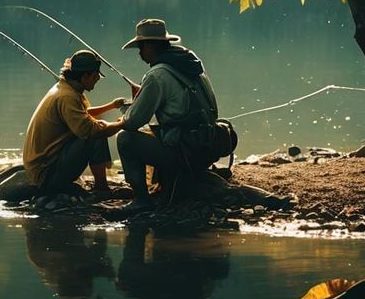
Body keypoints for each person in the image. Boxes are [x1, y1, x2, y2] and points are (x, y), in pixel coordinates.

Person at [100, 18, 224, 212]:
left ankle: (142, 200)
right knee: (153, 131)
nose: (140, 53)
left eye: (141, 47)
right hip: (207, 143)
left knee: (125, 139)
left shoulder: (156, 75)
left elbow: (133, 122)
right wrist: (144, 97)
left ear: (150, 45)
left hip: (185, 151)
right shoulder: (191, 66)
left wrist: (127, 110)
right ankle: (168, 183)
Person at [22, 50, 126, 198]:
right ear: (85, 76)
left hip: (46, 166)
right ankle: (101, 188)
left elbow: (82, 115)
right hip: (46, 174)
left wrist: (112, 106)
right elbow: (89, 130)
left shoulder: (66, 88)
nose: (97, 80)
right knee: (97, 133)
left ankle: (100, 185)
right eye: (95, 76)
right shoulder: (67, 97)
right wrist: (123, 123)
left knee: (96, 127)